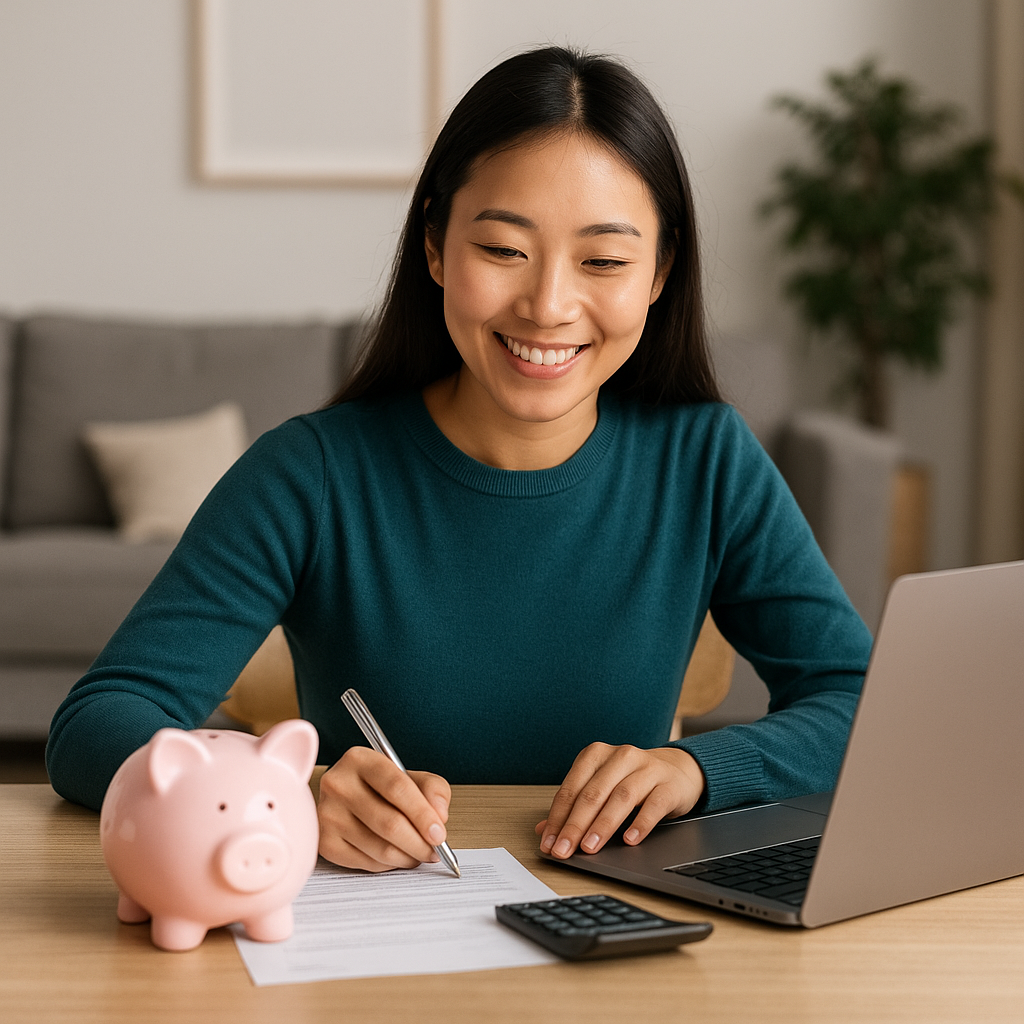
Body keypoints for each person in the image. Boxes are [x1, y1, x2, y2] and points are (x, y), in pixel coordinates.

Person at [46, 47, 872, 873]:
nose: (548, 305)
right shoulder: (310, 473)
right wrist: (282, 799)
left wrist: (699, 768)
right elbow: (99, 722)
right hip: (368, 941)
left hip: (619, 939)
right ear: (437, 246)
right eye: (504, 250)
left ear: (659, 272)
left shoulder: (705, 459)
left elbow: (864, 702)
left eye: (605, 260)